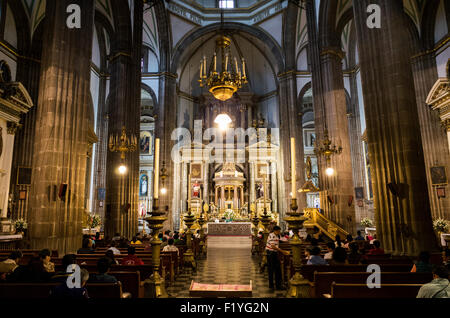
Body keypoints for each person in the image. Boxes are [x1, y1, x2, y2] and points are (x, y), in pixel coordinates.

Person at [265, 225, 290, 291]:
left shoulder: (276, 235)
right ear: (275, 231)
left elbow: (280, 241)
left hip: (274, 253)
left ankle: (278, 285)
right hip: (271, 254)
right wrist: (283, 251)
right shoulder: (272, 235)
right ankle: (272, 286)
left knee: (277, 270)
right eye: (278, 231)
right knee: (272, 270)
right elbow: (273, 246)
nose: (279, 232)